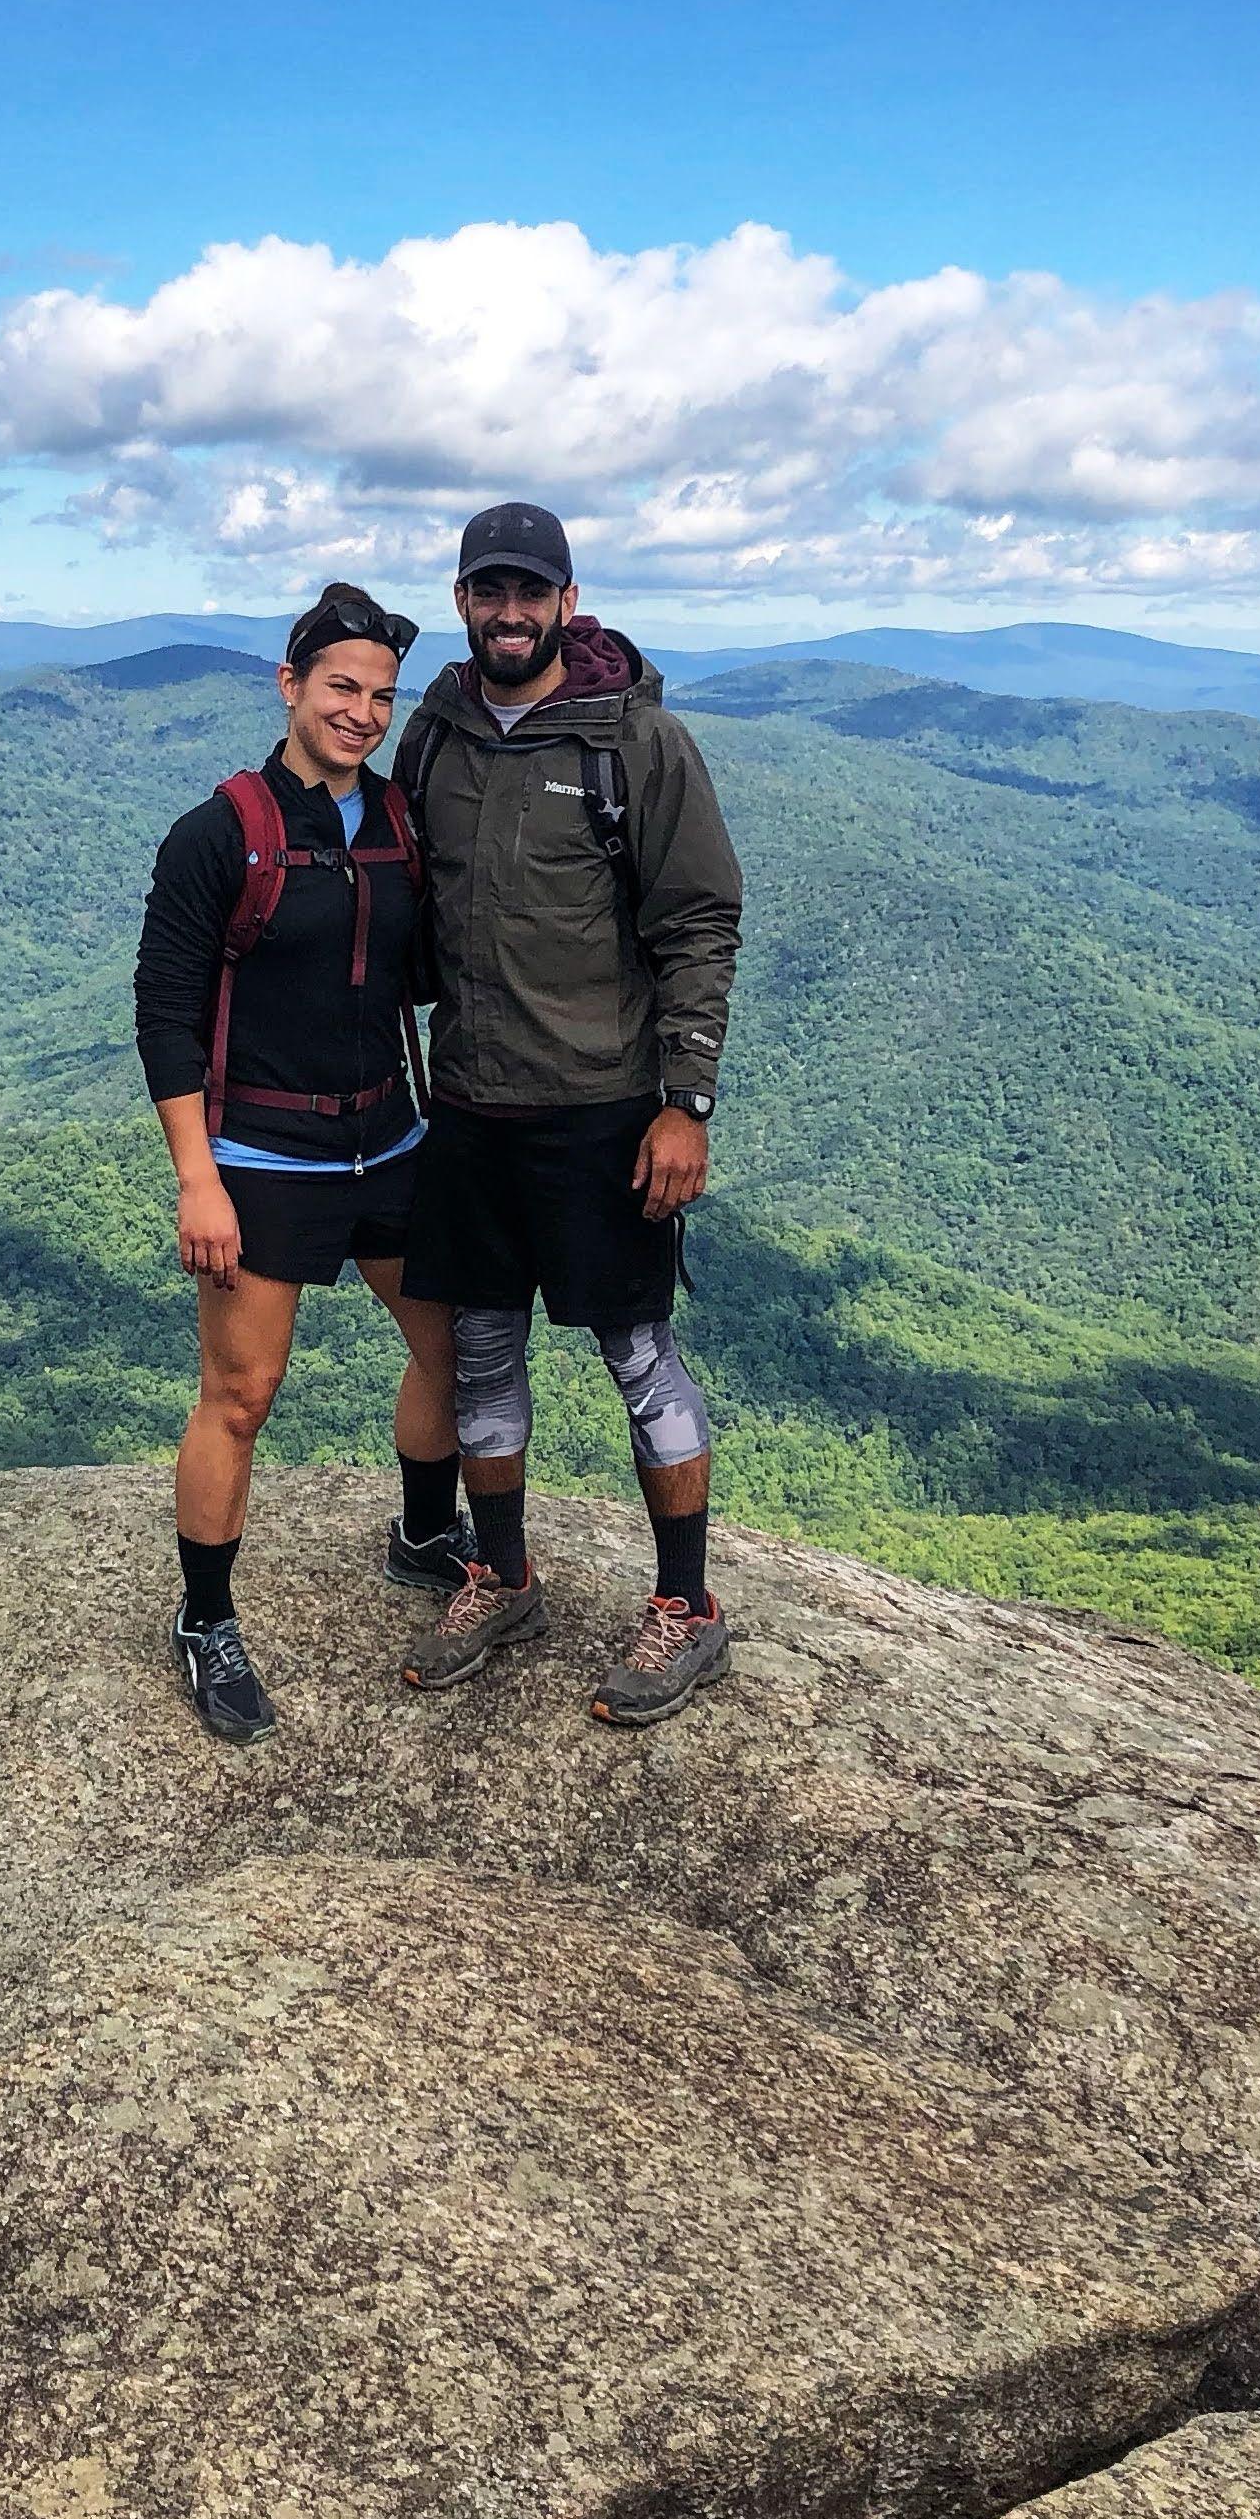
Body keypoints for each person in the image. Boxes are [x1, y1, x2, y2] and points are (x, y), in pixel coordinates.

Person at [389, 501, 747, 1724]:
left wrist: (684, 1103)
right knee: (483, 1352)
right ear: (461, 600)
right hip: (471, 1108)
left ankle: (688, 1609)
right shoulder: (431, 737)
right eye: (488, 591)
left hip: (602, 1113)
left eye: (528, 593)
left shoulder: (636, 745)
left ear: (567, 600)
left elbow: (699, 920)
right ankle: (502, 1573)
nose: (508, 613)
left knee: (637, 1355)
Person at [131, 581, 466, 1744]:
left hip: (391, 1138)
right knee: (242, 1393)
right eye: (341, 687)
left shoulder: (400, 825)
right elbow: (166, 1014)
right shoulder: (218, 832)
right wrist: (197, 1177)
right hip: (262, 1152)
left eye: (381, 695)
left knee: (454, 1346)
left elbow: (429, 972)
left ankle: (425, 1533)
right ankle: (205, 1619)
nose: (364, 712)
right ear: (289, 685)